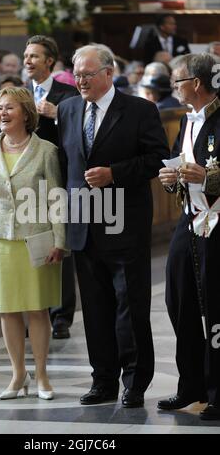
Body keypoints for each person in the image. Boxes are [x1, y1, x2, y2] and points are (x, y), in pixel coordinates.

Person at [58, 44, 169, 406]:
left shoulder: (140, 110)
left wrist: (114, 174)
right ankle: (102, 380)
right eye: (77, 74)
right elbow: (66, 165)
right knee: (94, 308)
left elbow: (155, 159)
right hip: (84, 225)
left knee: (130, 305)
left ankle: (134, 382)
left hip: (126, 223)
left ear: (109, 72)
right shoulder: (68, 108)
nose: (81, 81)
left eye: (88, 74)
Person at [0, 86, 66, 400]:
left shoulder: (46, 151)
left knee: (38, 310)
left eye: (9, 108)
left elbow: (56, 201)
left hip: (36, 239)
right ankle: (17, 375)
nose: (2, 114)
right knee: (7, 312)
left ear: (25, 113)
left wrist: (60, 240)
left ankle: (42, 377)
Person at [158, 53, 220, 421]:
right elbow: (179, 162)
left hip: (217, 223)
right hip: (189, 219)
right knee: (178, 299)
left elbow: (207, 174)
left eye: (177, 81)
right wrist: (171, 179)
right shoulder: (186, 120)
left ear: (196, 83)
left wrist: (208, 178)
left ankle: (218, 391)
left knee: (216, 307)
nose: (174, 87)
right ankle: (190, 385)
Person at [23, 35, 78, 339]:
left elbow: (82, 134)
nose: (28, 60)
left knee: (60, 246)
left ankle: (61, 316)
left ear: (50, 62)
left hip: (60, 179)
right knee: (33, 246)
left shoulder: (68, 95)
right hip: (28, 184)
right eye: (26, 55)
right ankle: (38, 311)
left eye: (34, 56)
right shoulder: (19, 94)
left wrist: (57, 116)